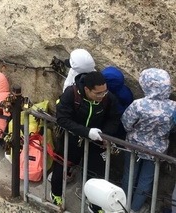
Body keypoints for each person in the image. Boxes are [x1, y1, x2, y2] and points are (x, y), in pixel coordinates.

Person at [50, 71, 121, 211]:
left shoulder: (108, 98)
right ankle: (56, 193)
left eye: (104, 92)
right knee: (61, 166)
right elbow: (62, 119)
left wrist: (105, 134)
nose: (102, 96)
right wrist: (86, 132)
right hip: (72, 138)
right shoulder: (71, 94)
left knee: (96, 173)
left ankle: (95, 204)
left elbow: (114, 118)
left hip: (96, 141)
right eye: (98, 93)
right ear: (87, 89)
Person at [121, 68, 176, 213]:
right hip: (157, 150)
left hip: (133, 145)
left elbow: (126, 123)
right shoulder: (173, 107)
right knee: (147, 179)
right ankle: (135, 208)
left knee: (129, 174)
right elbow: (174, 128)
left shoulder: (138, 105)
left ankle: (122, 204)